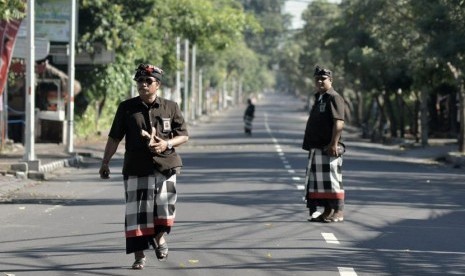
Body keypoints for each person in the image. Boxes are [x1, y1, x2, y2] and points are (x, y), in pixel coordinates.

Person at [99, 63, 189, 269]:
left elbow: (183, 135)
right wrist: (105, 162)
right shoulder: (126, 108)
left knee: (164, 208)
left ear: (157, 85)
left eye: (148, 81)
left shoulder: (171, 107)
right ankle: (139, 256)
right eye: (140, 81)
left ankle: (159, 238)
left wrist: (167, 143)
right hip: (136, 167)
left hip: (165, 165)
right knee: (137, 213)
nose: (143, 85)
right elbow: (114, 138)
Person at [302, 66, 345, 223]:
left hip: (329, 148)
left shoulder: (334, 97)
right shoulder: (320, 97)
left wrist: (333, 143)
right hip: (317, 148)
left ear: (330, 80)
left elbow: (339, 122)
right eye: (317, 79)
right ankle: (327, 211)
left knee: (333, 180)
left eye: (323, 79)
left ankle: (339, 211)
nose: (320, 81)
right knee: (320, 183)